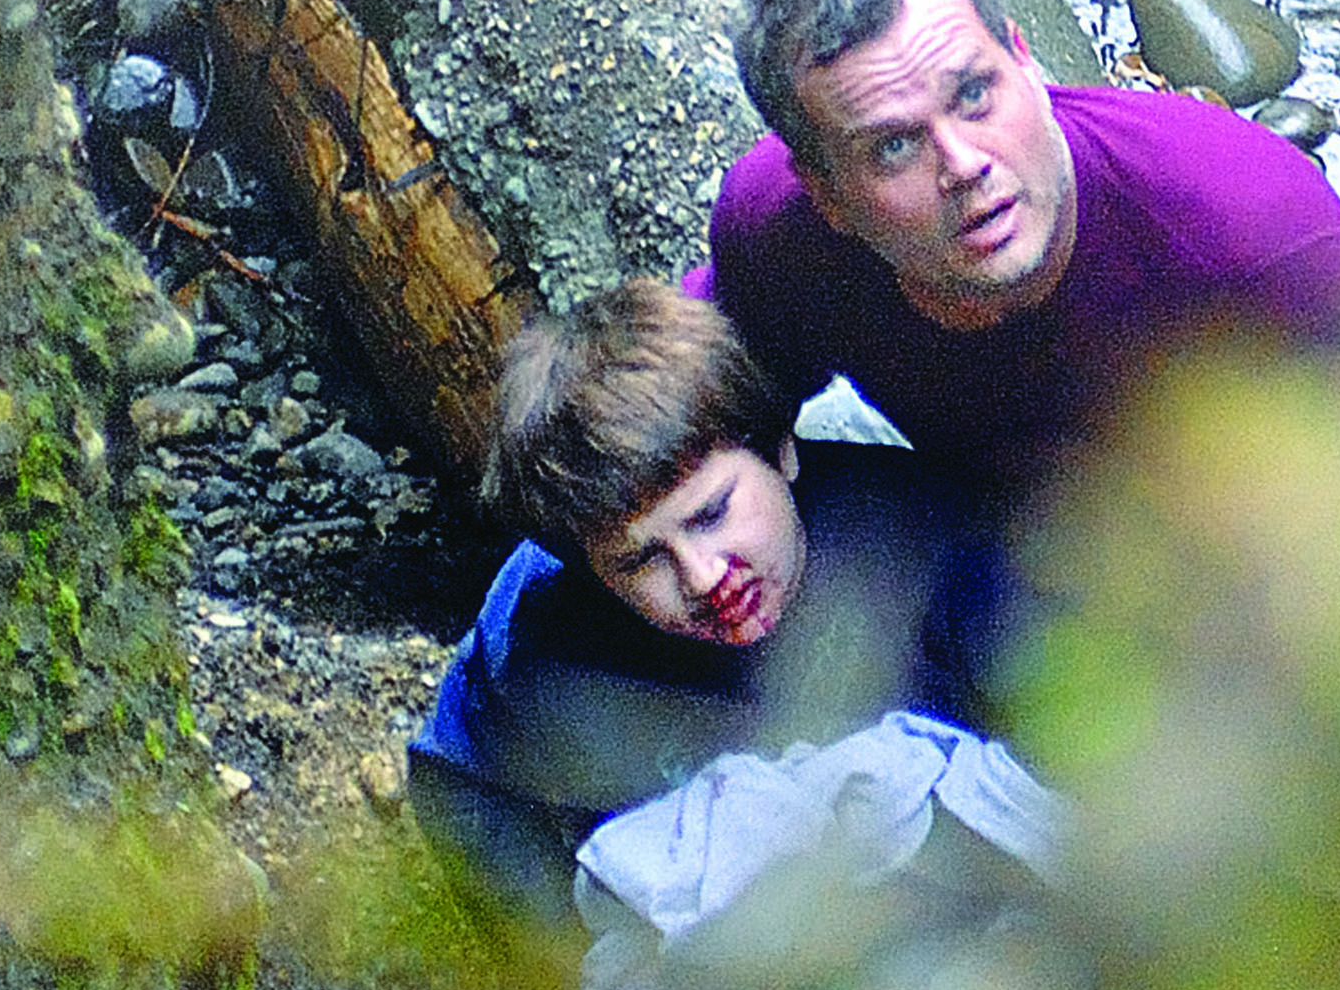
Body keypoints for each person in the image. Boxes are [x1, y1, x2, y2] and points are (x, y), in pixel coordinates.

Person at [697, 0, 1340, 507]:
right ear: (825, 193)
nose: (963, 164)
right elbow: (701, 402)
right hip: (993, 533)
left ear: (1025, 59)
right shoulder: (778, 230)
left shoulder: (1249, 230)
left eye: (974, 94)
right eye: (893, 146)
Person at [410, 280, 1025, 921]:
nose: (704, 578)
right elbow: (461, 783)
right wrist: (564, 948)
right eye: (642, 560)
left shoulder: (928, 546)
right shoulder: (542, 623)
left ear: (780, 450)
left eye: (711, 514)